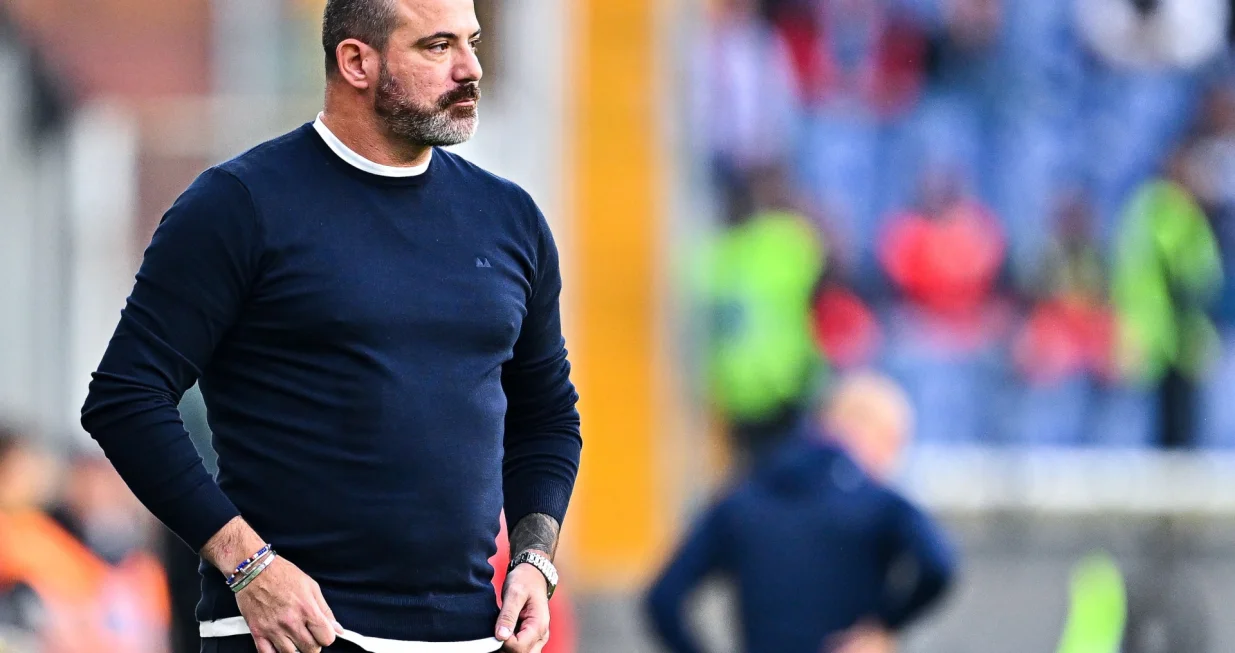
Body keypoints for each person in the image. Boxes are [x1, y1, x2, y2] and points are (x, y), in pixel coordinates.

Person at [79, 1, 582, 652]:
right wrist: (247, 564)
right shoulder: (240, 204)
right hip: (290, 632)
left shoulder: (510, 218)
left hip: (467, 635)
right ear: (355, 62)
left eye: (472, 42)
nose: (470, 69)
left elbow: (547, 415)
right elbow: (125, 398)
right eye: (437, 46)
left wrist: (534, 561)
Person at [646, 372, 955, 653]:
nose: (893, 460)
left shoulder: (742, 498)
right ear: (872, 431)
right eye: (894, 441)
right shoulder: (880, 502)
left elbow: (663, 598)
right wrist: (885, 625)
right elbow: (938, 565)